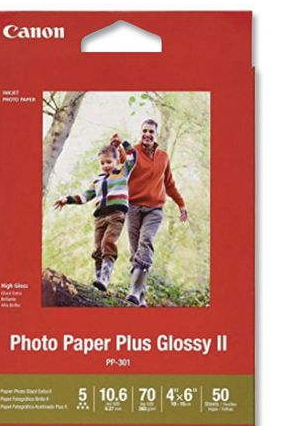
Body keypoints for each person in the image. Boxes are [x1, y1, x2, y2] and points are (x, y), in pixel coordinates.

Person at [116, 119, 188, 306]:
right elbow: (122, 161)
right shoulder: (133, 152)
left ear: (156, 135)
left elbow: (169, 184)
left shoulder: (163, 157)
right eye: (145, 131)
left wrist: (181, 204)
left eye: (151, 132)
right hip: (133, 207)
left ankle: (134, 290)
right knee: (136, 252)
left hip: (154, 209)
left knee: (146, 241)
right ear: (141, 133)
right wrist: (117, 147)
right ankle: (140, 296)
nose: (147, 134)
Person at [54, 140, 137, 291]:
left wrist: (123, 143)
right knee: (98, 249)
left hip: (116, 215)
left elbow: (133, 155)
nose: (105, 165)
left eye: (109, 162)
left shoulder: (122, 172)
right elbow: (85, 196)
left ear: (117, 160)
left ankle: (105, 277)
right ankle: (99, 280)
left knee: (108, 242)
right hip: (99, 218)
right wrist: (67, 199)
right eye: (102, 163)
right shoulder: (97, 180)